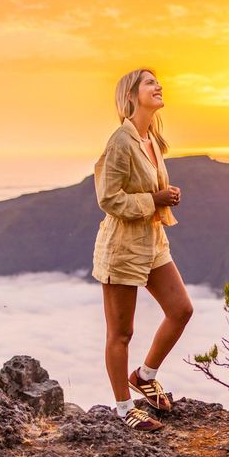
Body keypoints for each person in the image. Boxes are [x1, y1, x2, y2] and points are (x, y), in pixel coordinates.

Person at [91, 68, 193, 432]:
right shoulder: (121, 139)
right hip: (122, 248)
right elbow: (109, 197)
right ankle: (123, 408)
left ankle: (145, 375)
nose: (158, 86)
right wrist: (155, 199)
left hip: (152, 243)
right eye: (150, 82)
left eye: (158, 81)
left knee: (181, 309)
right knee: (121, 333)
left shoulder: (152, 139)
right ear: (132, 95)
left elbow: (146, 191)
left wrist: (166, 196)